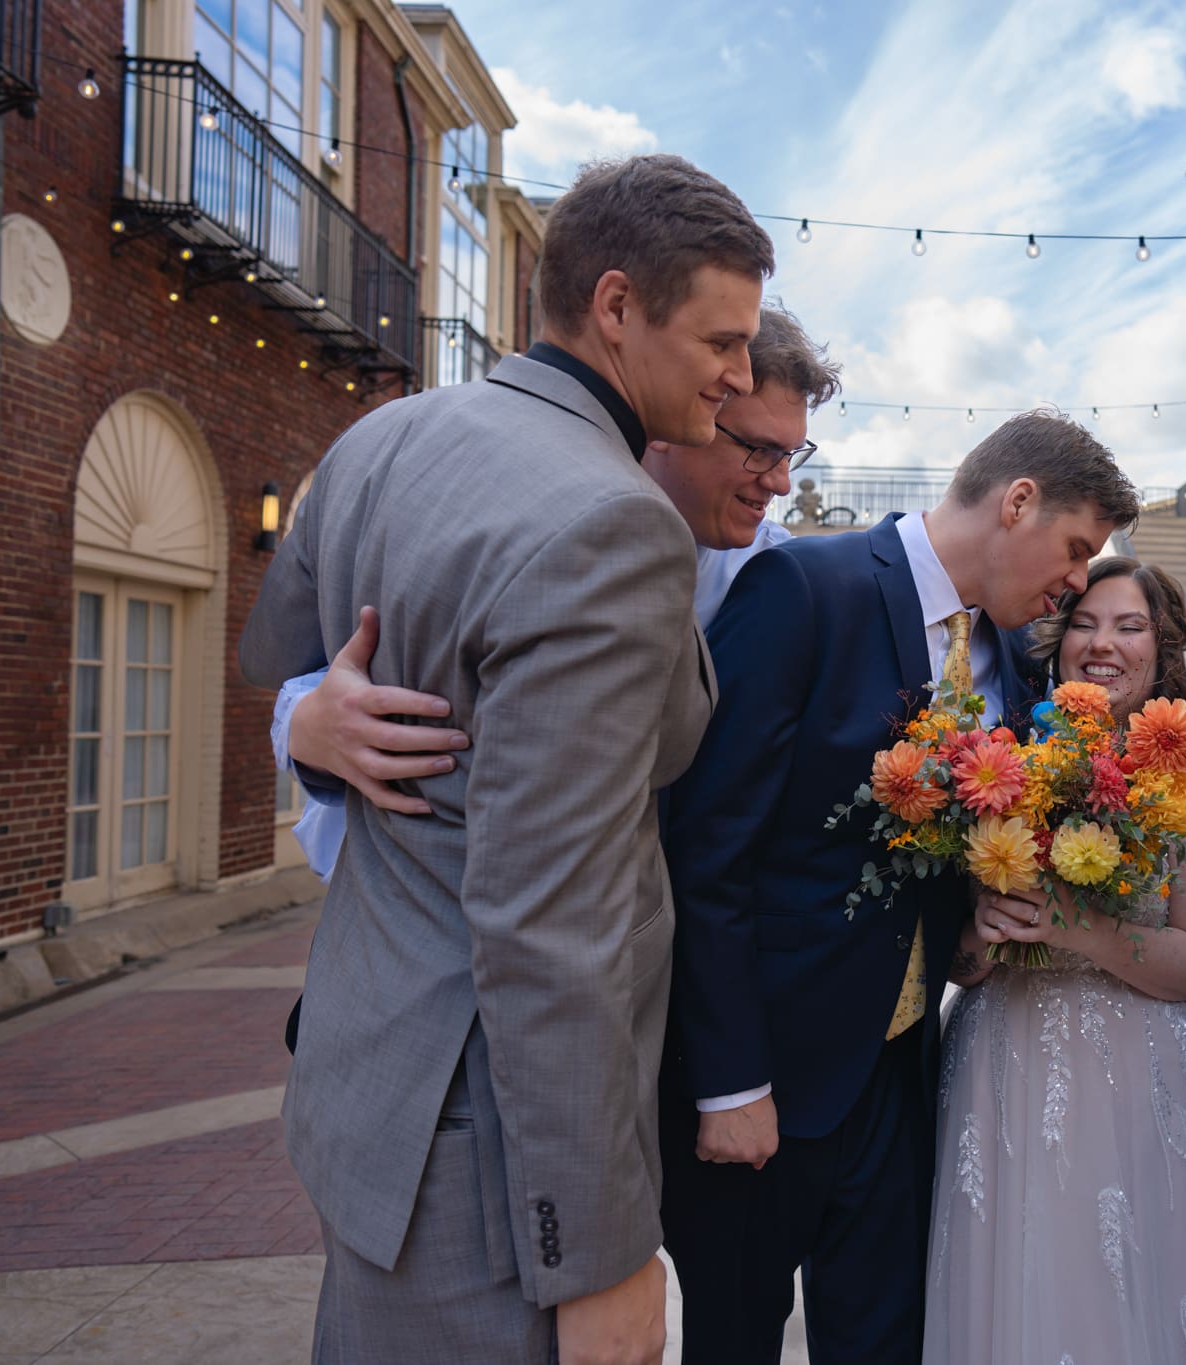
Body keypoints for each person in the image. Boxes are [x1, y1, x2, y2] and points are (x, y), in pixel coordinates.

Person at [238, 154, 773, 1365]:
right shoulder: (613, 520)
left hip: (364, 1099)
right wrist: (594, 1260)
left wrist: (318, 732)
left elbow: (278, 657)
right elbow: (549, 917)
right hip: (486, 1157)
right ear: (619, 306)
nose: (741, 377)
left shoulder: (387, 435)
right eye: (722, 340)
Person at [659, 411, 1139, 1364]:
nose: (1078, 581)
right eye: (1078, 548)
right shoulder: (803, 586)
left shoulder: (1010, 660)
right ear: (1018, 501)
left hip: (904, 1080)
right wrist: (730, 1079)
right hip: (767, 1079)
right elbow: (708, 848)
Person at [269, 303, 837, 878]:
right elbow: (322, 667)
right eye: (760, 450)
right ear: (686, 410)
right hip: (414, 896)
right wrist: (304, 725)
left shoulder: (776, 575)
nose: (782, 482)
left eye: (793, 454)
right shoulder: (504, 503)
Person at [935, 558, 1186, 1365]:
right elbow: (956, 959)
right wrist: (984, 932)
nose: (1103, 643)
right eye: (1086, 624)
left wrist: (1074, 925)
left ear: (1162, 650)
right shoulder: (1004, 756)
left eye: (1129, 626)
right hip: (1004, 1062)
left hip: (1145, 1072)